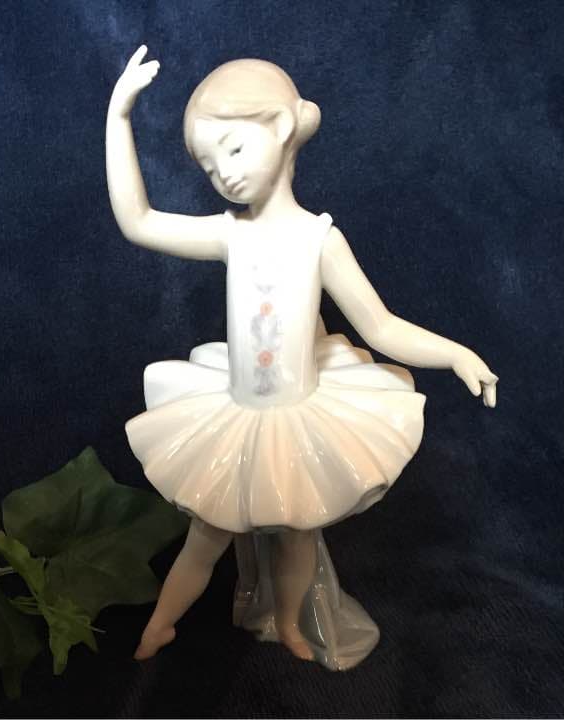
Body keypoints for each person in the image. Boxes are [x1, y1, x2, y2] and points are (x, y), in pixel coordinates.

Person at [105, 45, 498, 663]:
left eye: (234, 149)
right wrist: (119, 117)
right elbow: (138, 221)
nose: (223, 174)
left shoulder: (320, 240)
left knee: (295, 536)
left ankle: (288, 623)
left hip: (299, 417)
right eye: (209, 165)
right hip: (236, 418)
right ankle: (160, 625)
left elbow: (380, 326)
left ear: (283, 127)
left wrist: (455, 353)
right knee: (205, 537)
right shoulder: (228, 234)